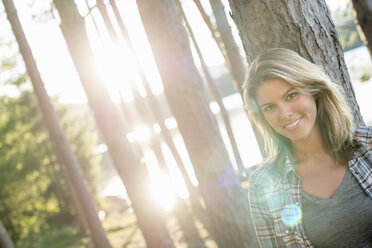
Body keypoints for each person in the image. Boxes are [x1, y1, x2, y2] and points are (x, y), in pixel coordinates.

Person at [243, 48, 372, 247]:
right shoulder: (264, 186)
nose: (285, 113)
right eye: (270, 108)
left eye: (291, 95)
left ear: (315, 92)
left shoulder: (369, 144)